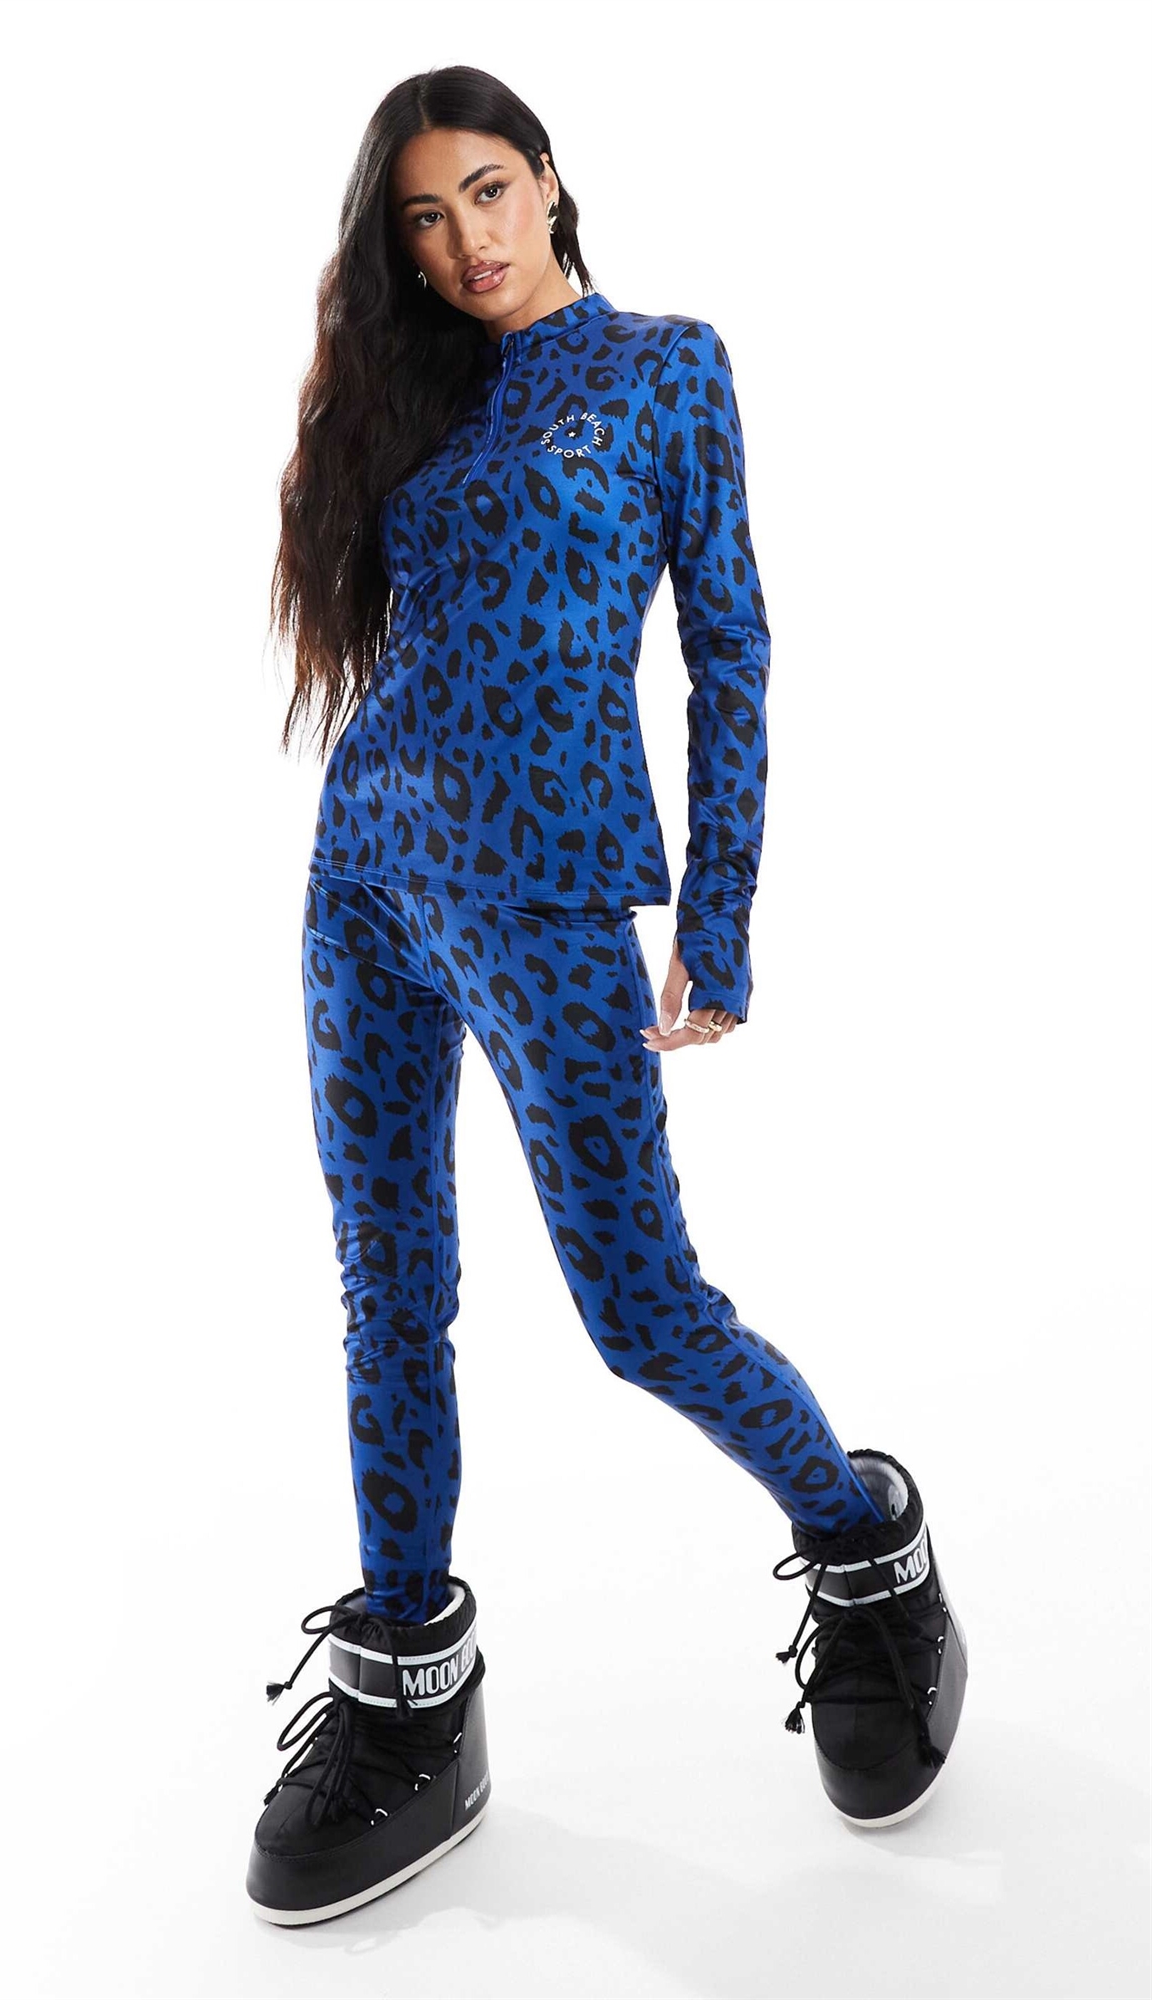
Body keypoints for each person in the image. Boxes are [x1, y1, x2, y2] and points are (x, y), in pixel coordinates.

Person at [246, 65, 968, 1927]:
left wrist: (714, 916)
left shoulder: (663, 368)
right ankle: (407, 1682)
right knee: (386, 1289)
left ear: (550, 181)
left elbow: (729, 645)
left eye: (486, 191)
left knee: (639, 1308)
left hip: (552, 896)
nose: (462, 241)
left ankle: (866, 1550)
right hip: (363, 878)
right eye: (422, 217)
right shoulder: (415, 388)